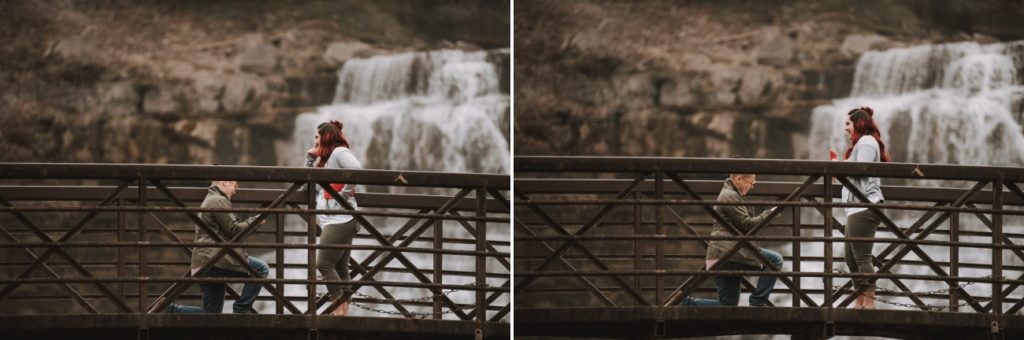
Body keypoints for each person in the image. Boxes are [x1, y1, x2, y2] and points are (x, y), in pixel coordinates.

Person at [682, 172, 783, 307]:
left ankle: (688, 304)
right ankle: (757, 304)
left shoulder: (730, 194)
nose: (752, 187)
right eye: (752, 183)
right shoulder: (729, 196)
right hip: (729, 254)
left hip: (724, 255)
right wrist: (770, 214)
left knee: (727, 306)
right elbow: (747, 224)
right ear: (739, 179)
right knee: (775, 260)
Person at [175, 180, 269, 313]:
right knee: (260, 269)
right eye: (234, 184)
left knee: (212, 315)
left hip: (203, 263)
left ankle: (172, 310)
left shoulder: (210, 199)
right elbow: (234, 230)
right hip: (214, 261)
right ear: (224, 182)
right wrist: (257, 220)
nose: (237, 187)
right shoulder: (218, 200)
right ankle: (240, 312)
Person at [305, 120, 363, 316]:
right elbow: (307, 187)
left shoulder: (339, 152)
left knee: (323, 264)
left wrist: (345, 193)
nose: (314, 140)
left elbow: (356, 169)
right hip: (335, 219)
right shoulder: (325, 160)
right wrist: (309, 159)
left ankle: (337, 310)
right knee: (339, 267)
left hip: (341, 219)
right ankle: (344, 315)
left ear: (326, 137)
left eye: (317, 136)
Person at [841, 106, 890, 309]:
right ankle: (859, 300)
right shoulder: (861, 143)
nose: (845, 128)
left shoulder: (867, 142)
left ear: (858, 123)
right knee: (851, 258)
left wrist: (839, 168)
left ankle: (869, 302)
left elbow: (861, 171)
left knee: (861, 257)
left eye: (847, 124)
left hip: (866, 205)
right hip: (855, 207)